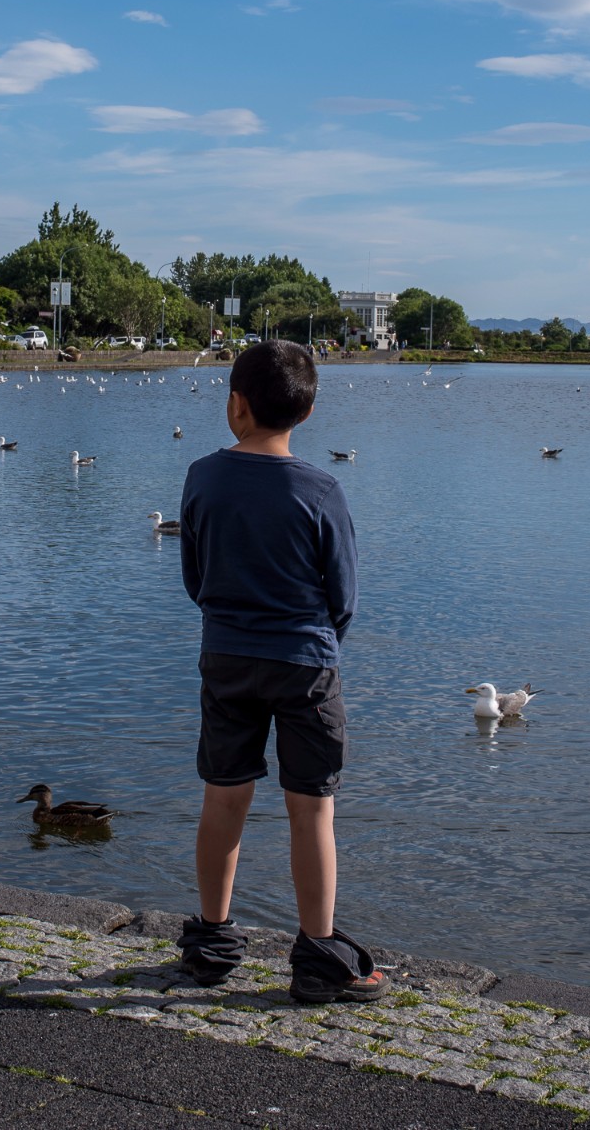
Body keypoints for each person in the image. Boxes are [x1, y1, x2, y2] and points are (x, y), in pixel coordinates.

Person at [174, 340, 383, 1005]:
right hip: (306, 662)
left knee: (223, 797)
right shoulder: (322, 489)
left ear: (235, 405)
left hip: (227, 656)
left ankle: (211, 940)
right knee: (311, 808)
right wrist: (314, 639)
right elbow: (342, 595)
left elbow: (195, 576)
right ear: (309, 410)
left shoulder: (201, 478)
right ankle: (318, 953)